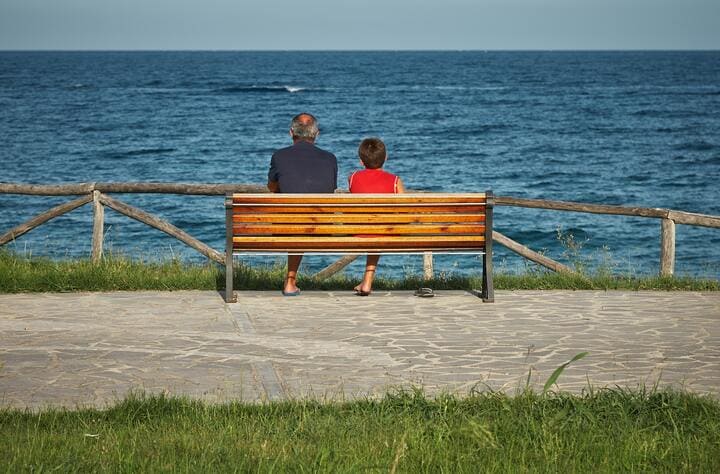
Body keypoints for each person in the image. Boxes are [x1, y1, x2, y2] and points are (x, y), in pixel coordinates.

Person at [268, 113, 338, 296]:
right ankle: (367, 278)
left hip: (287, 226)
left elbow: (272, 186)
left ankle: (290, 281)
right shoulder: (330, 158)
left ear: (291, 133)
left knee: (294, 219)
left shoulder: (279, 156)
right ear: (316, 134)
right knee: (302, 218)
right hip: (322, 227)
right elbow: (330, 188)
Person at [348, 137, 405, 296]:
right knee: (379, 229)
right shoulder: (395, 181)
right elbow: (405, 211)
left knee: (373, 228)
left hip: (358, 231)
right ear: (385, 158)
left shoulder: (352, 177)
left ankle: (366, 282)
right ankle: (367, 281)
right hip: (385, 231)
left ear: (361, 161)